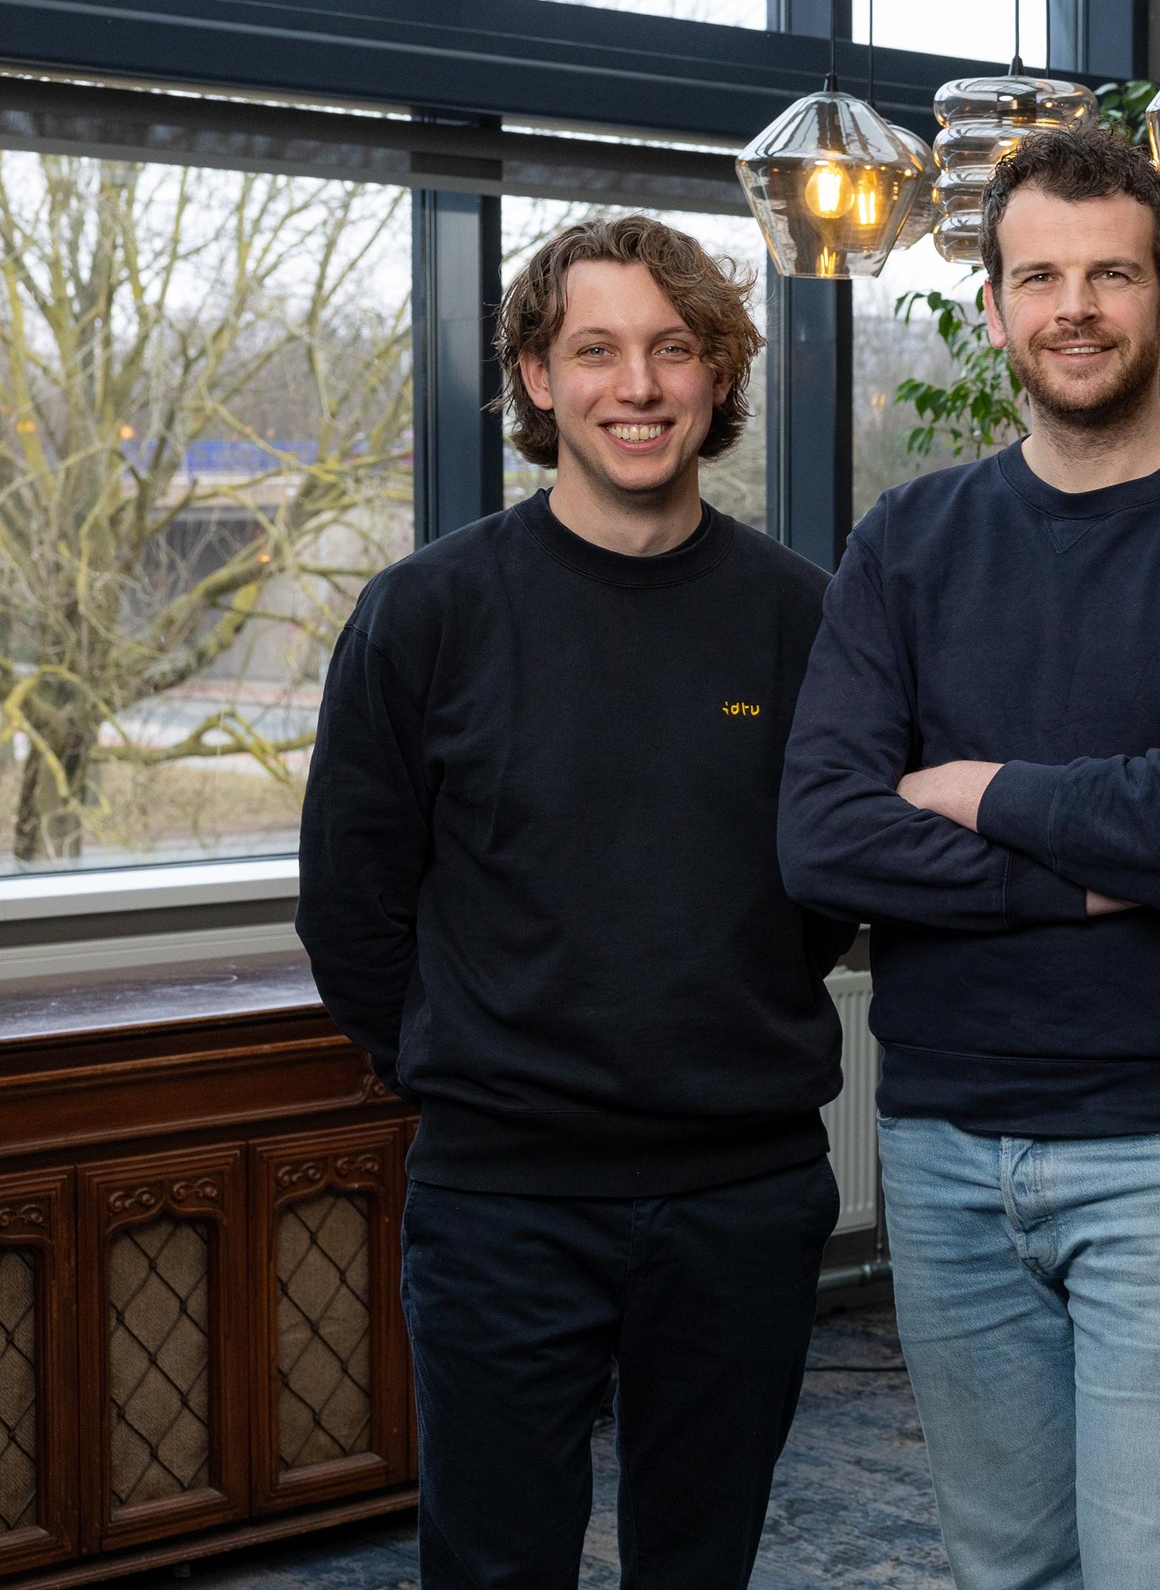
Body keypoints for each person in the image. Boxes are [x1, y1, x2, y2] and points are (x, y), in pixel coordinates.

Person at [776, 128, 1160, 1590]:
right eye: (1038, 277)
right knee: (1005, 1575)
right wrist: (1106, 858)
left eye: (1110, 275)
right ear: (992, 309)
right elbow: (826, 837)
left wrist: (971, 786)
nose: (1073, 308)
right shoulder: (907, 539)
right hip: (943, 1145)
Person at [296, 216, 855, 1590]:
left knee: (700, 1566)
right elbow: (351, 904)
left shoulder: (806, 620)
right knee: (495, 1568)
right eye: (595, 350)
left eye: (672, 348)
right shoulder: (424, 614)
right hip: (502, 1200)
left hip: (742, 1192)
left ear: (719, 374)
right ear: (538, 380)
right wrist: (475, 1065)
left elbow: (827, 882)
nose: (638, 386)